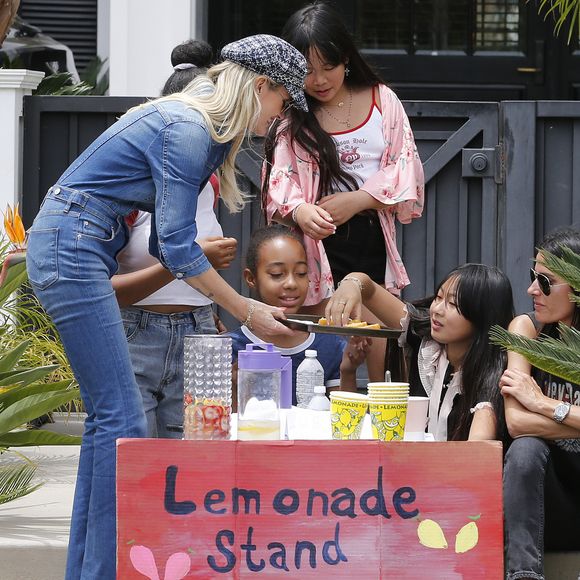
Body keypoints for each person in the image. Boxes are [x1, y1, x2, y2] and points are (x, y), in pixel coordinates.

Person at [25, 34, 308, 579]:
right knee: (123, 419)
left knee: (108, 423)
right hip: (73, 246)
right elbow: (177, 249)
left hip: (73, 241)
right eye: (284, 102)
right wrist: (247, 310)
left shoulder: (190, 126)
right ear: (261, 86)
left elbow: (163, 246)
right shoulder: (188, 127)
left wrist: (233, 303)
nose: (280, 117)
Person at [262, 1, 425, 381]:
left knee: (380, 352)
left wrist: (359, 199)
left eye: (328, 66)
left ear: (346, 58)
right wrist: (301, 211)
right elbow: (279, 181)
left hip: (371, 240)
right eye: (306, 70)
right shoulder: (290, 114)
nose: (318, 80)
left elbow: (406, 166)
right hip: (312, 245)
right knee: (315, 358)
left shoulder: (382, 100)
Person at [113, 39, 237, 439]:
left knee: (198, 453)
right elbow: (111, 291)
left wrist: (208, 303)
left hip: (199, 330)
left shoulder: (211, 181)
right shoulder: (132, 188)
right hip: (137, 331)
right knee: (136, 455)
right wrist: (190, 260)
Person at [326, 265, 514, 441]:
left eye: (452, 304)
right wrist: (351, 283)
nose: (437, 310)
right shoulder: (427, 342)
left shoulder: (493, 377)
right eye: (438, 298)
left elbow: (478, 450)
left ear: (481, 317)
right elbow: (370, 289)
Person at [500, 227, 580, 580]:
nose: (533, 290)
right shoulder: (526, 330)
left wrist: (545, 403)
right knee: (526, 448)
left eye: (546, 282)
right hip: (549, 500)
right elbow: (517, 424)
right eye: (534, 278)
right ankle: (523, 574)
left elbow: (531, 410)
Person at [229, 224, 369, 403]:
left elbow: (344, 420)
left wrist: (348, 371)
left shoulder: (329, 344)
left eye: (301, 273)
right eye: (277, 274)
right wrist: (235, 385)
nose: (291, 283)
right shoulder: (232, 347)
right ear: (251, 278)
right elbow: (224, 424)